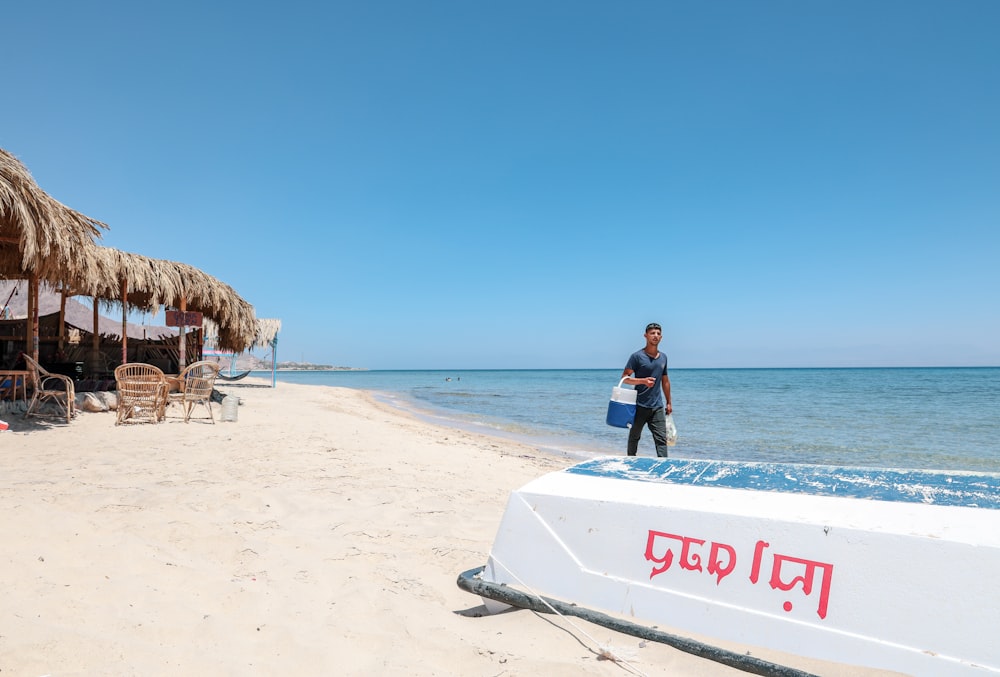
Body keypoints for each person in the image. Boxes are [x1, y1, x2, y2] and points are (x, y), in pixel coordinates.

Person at [621, 322, 672, 457]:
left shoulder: (663, 357)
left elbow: (665, 380)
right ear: (646, 336)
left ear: (661, 337)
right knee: (634, 437)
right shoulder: (637, 356)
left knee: (661, 440)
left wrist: (668, 402)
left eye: (658, 334)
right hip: (639, 405)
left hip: (657, 406)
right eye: (652, 333)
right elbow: (625, 378)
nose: (655, 336)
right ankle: (630, 461)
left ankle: (663, 465)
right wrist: (642, 381)